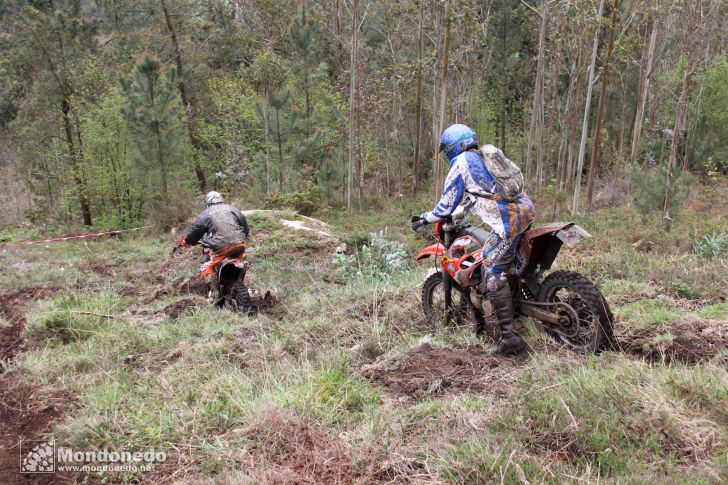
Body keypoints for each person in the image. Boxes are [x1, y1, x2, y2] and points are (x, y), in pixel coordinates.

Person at [412, 124, 536, 356]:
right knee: (508, 262)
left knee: (492, 271)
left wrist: (425, 218)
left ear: (451, 147)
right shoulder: (484, 156)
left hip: (509, 223)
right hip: (525, 210)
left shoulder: (460, 164)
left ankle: (510, 339)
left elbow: (445, 205)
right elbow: (484, 190)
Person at [179, 191, 250, 287]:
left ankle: (214, 292)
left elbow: (196, 231)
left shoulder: (206, 213)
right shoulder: (233, 209)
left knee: (206, 267)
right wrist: (241, 239)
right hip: (240, 245)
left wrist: (188, 241)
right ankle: (239, 283)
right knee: (240, 260)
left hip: (222, 247)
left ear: (207, 202)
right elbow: (245, 227)